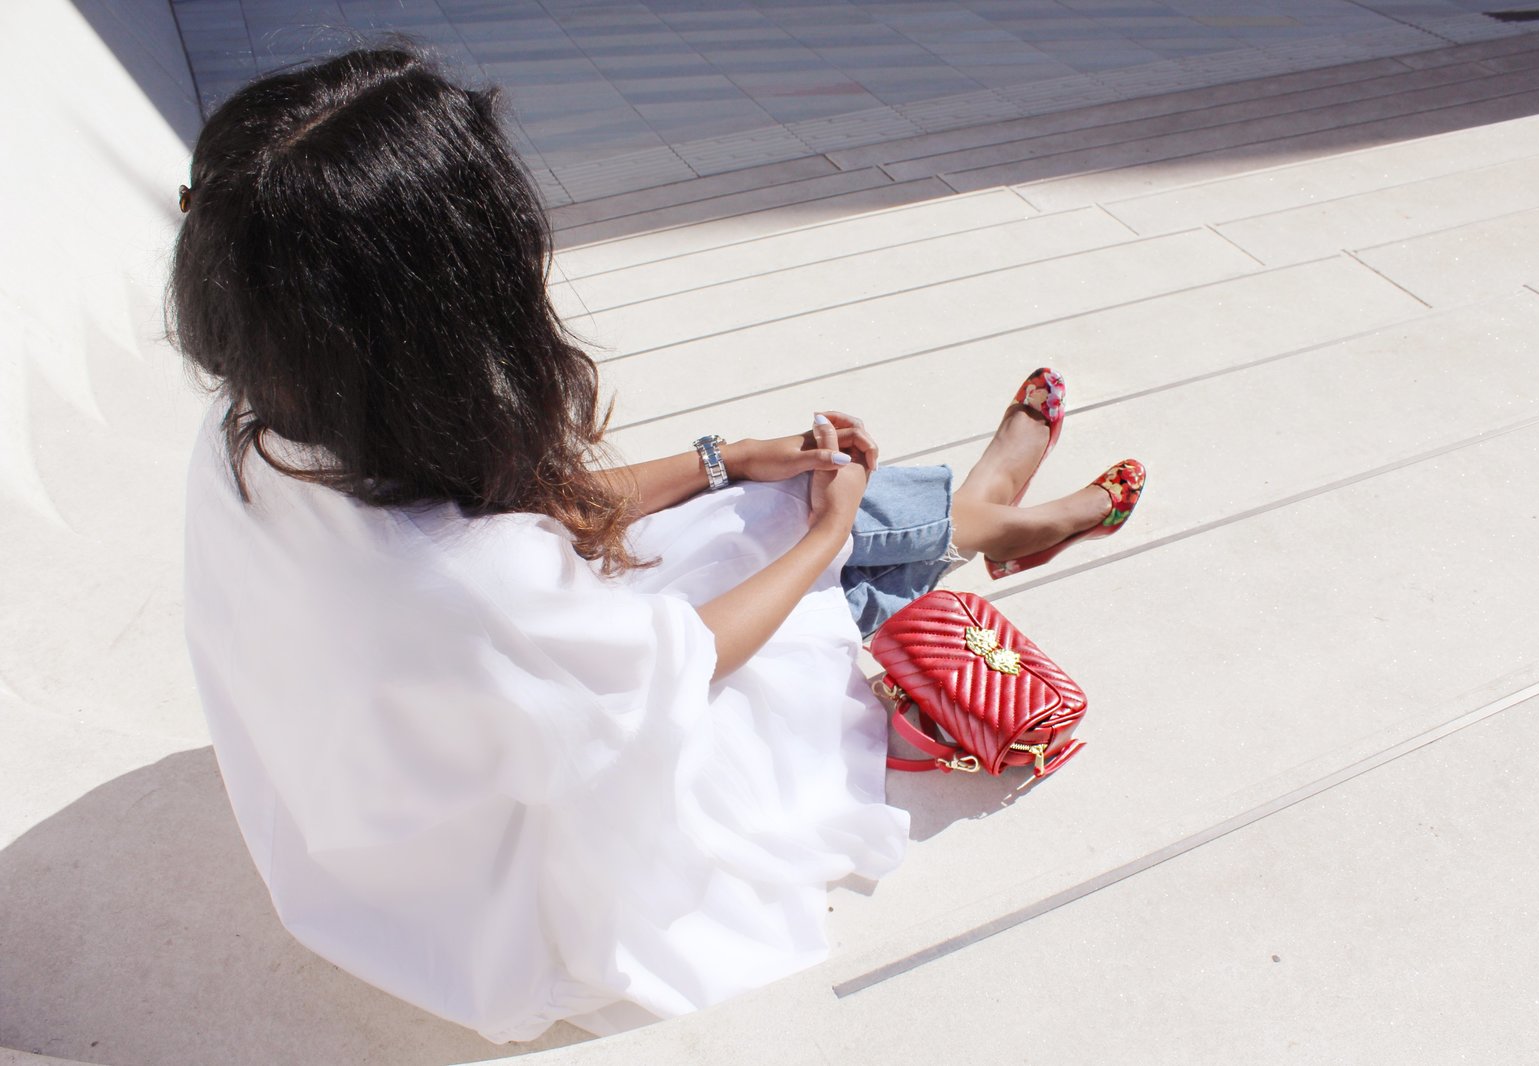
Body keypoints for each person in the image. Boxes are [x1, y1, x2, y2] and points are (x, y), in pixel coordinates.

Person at [170, 46, 1145, 1042]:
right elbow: (676, 661)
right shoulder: (470, 585)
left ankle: (985, 517)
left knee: (757, 507)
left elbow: (525, 519)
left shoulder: (256, 431)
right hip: (507, 888)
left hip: (390, 801)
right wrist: (826, 531)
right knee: (796, 555)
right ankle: (990, 517)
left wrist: (724, 458)